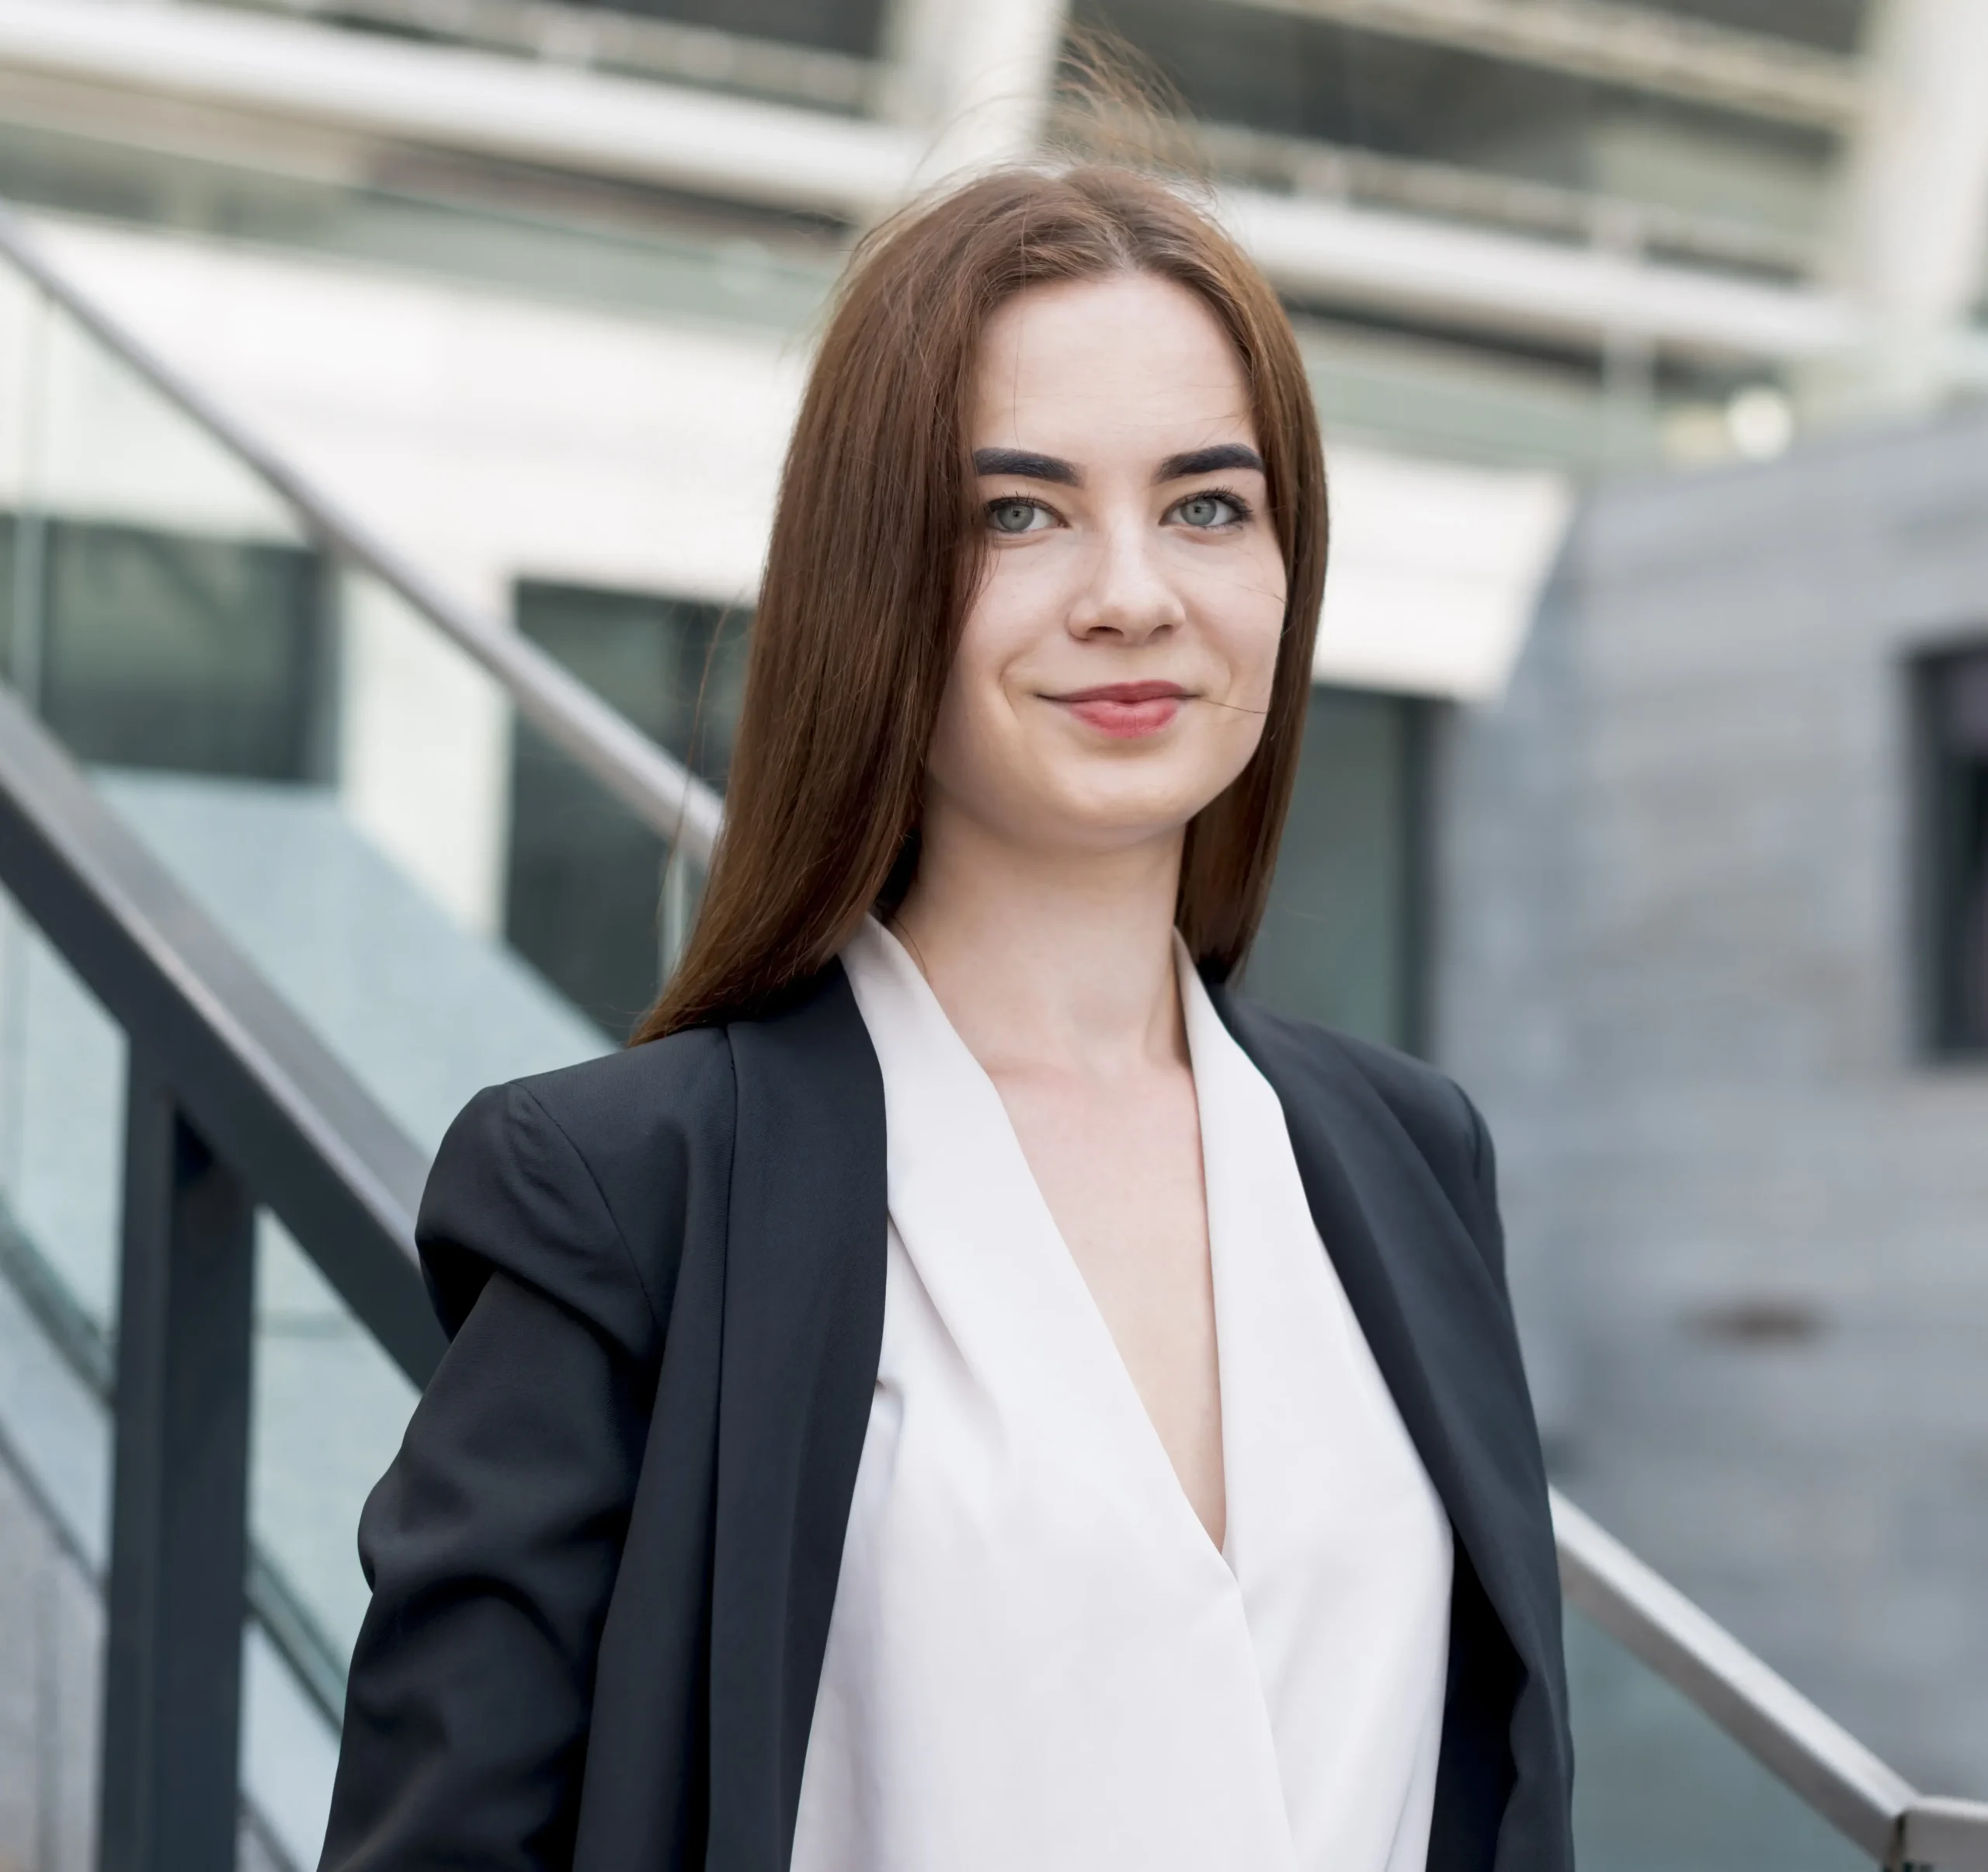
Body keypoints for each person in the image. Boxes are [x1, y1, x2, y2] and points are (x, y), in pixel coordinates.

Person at [318, 162, 1572, 1872]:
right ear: (872, 580)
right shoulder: (618, 1192)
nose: (1132, 592)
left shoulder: (1403, 1154)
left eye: (1207, 505)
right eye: (1018, 513)